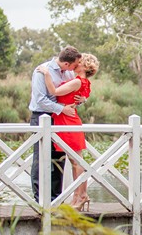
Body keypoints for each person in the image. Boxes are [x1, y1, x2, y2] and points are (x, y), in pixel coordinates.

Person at [36, 53, 100, 211]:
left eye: (79, 62)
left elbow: (54, 91)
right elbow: (86, 94)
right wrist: (82, 99)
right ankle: (77, 196)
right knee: (75, 162)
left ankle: (82, 195)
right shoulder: (83, 82)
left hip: (68, 120)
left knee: (77, 162)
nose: (75, 64)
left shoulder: (77, 81)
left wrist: (46, 73)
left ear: (84, 66)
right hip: (66, 119)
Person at [29, 46, 81, 202]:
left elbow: (71, 93)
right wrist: (62, 109)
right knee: (41, 157)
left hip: (61, 118)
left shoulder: (70, 73)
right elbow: (40, 99)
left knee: (60, 157)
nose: (76, 67)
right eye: (75, 64)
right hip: (41, 116)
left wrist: (78, 101)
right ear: (66, 63)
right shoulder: (42, 71)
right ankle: (40, 199)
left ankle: (55, 198)